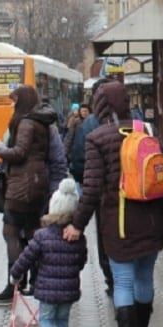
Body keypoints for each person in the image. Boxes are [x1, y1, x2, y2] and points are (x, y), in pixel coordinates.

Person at [63, 80, 163, 327]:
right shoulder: (146, 130)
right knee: (144, 277)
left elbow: (92, 188)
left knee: (122, 280)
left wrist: (77, 224)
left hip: (118, 221)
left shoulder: (97, 137)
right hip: (150, 217)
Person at [0, 85, 69, 304]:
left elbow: (23, 154)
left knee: (13, 232)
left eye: (14, 101)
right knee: (32, 233)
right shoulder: (38, 123)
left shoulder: (28, 123)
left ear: (22, 102)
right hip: (33, 185)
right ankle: (32, 281)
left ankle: (17, 283)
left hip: (25, 187)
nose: (11, 105)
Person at [8, 177, 87, 327]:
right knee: (62, 319)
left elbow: (26, 258)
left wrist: (15, 274)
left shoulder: (42, 236)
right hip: (69, 290)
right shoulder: (78, 237)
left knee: (47, 318)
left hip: (47, 290)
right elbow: (82, 261)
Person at [66, 88, 112, 296]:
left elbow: (79, 160)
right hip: (138, 197)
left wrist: (78, 223)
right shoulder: (137, 123)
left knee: (106, 237)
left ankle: (112, 279)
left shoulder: (90, 125)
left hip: (104, 196)